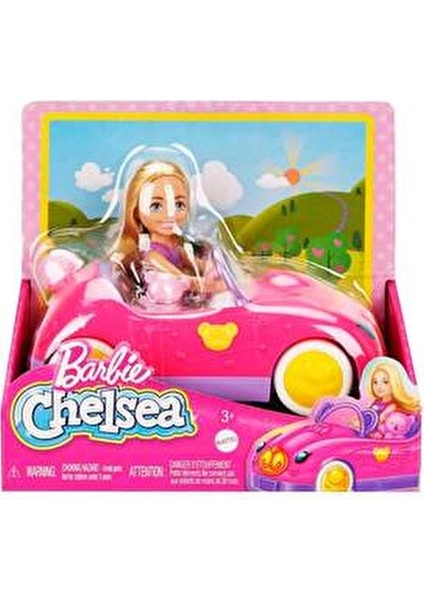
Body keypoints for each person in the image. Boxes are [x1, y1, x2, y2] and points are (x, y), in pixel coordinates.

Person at [110, 160, 225, 307]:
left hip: (187, 300)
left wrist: (215, 268)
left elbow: (196, 264)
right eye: (156, 206)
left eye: (178, 204)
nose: (170, 214)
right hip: (163, 304)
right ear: (136, 211)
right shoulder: (150, 254)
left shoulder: (178, 244)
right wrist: (217, 286)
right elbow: (182, 281)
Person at [365, 360, 420, 438]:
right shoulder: (376, 401)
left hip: (385, 434)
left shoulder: (392, 406)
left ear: (395, 383)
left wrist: (364, 423)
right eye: (375, 382)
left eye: (385, 382)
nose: (379, 386)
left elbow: (379, 420)